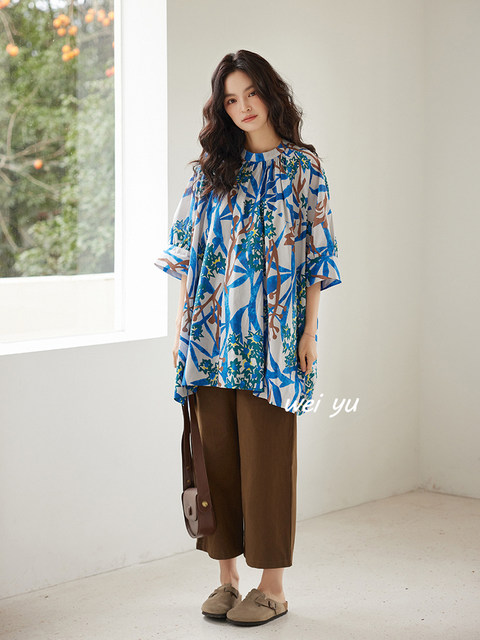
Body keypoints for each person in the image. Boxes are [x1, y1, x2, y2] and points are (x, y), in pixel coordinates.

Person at [155, 49, 342, 626]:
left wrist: (308, 331)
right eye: (231, 99)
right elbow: (185, 254)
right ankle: (227, 578)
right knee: (217, 459)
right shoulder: (209, 171)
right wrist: (184, 331)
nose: (243, 107)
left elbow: (319, 258)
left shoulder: (302, 168)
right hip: (210, 336)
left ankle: (273, 587)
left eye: (251, 93)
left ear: (271, 93)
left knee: (267, 459)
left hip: (274, 340)